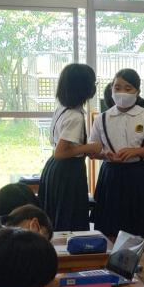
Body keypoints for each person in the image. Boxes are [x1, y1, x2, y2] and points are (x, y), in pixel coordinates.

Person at [90, 69, 144, 287]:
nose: (122, 92)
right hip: (112, 174)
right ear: (111, 90)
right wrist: (105, 154)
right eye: (117, 88)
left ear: (137, 91)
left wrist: (137, 151)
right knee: (112, 227)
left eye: (128, 88)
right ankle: (117, 271)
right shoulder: (102, 118)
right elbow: (93, 149)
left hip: (142, 175)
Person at [38, 63, 102, 232]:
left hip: (55, 168)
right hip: (67, 171)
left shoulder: (63, 108)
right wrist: (88, 147)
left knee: (56, 217)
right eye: (92, 83)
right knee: (70, 219)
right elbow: (61, 152)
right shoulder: (75, 116)